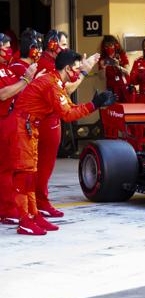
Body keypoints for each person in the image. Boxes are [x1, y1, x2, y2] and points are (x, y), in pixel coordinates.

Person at [13, 50, 115, 235]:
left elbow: (69, 107)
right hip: (22, 127)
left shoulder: (55, 82)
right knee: (25, 175)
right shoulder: (51, 84)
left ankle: (34, 215)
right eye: (76, 69)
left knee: (31, 173)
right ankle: (25, 221)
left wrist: (94, 103)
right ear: (68, 68)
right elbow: (67, 114)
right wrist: (94, 104)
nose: (77, 73)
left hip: (29, 126)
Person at [0, 33, 37, 225]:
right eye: (5, 47)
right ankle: (6, 210)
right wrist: (25, 80)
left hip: (9, 120)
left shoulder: (7, 69)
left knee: (9, 167)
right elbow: (3, 94)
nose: (8, 51)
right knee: (5, 168)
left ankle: (9, 207)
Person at [98, 35, 131, 102]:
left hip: (124, 88)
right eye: (106, 46)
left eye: (111, 45)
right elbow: (101, 77)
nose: (109, 48)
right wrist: (103, 68)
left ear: (115, 46)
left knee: (126, 108)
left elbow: (128, 72)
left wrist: (118, 66)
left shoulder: (121, 55)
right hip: (111, 89)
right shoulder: (103, 59)